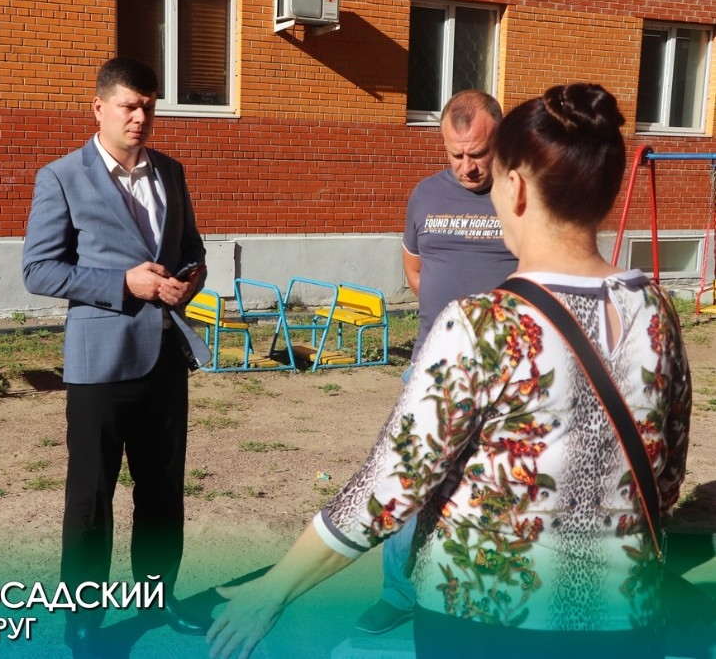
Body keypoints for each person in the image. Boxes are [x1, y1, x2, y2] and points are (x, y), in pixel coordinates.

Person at [207, 83, 690, 659]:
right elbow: (666, 479)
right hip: (627, 616)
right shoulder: (657, 311)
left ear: (515, 187)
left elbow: (390, 487)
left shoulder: (482, 324)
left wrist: (272, 590)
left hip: (487, 617)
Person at [22, 57, 211, 656]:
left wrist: (189, 279)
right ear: (99, 108)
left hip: (164, 358)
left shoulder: (171, 172)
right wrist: (123, 284)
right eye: (129, 106)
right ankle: (83, 616)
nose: (140, 117)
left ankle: (158, 596)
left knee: (162, 489)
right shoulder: (61, 177)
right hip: (99, 362)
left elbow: (192, 249)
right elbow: (38, 270)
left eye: (148, 106)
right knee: (90, 496)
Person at [359, 90, 518, 634]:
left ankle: (487, 593)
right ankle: (399, 593)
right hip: (430, 366)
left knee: (498, 485)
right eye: (456, 154)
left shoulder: (522, 194)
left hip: (506, 372)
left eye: (478, 154)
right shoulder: (425, 195)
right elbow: (415, 270)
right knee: (408, 479)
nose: (467, 166)